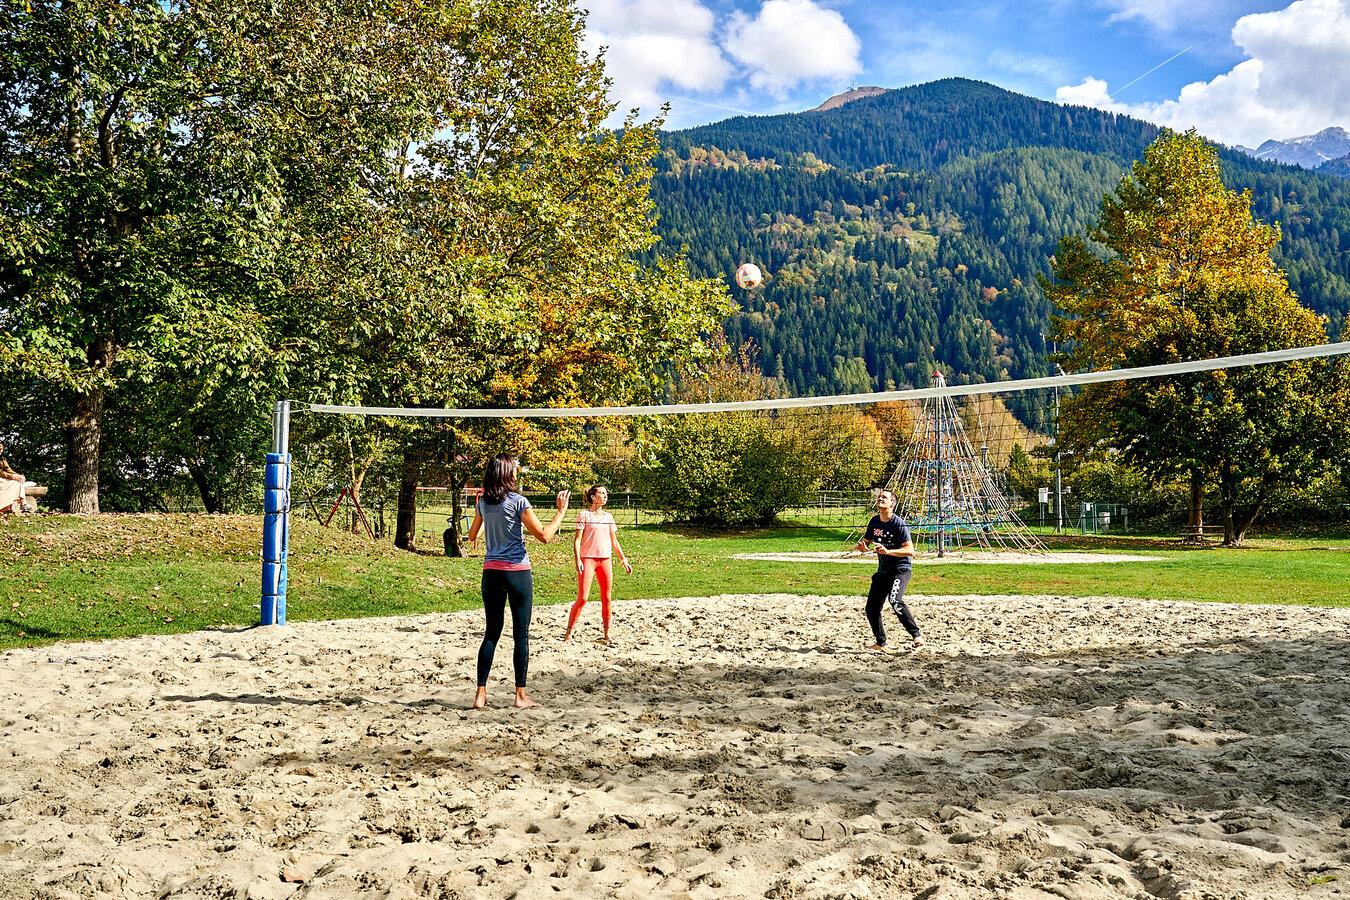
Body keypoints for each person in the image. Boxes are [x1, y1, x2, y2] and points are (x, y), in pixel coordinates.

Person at [466, 454, 570, 709]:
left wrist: (486, 531)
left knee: (491, 633)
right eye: (515, 469)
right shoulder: (518, 501)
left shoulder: (483, 502)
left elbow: (471, 536)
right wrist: (560, 512)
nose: (517, 473)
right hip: (516, 572)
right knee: (520, 634)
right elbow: (544, 536)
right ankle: (520, 696)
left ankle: (480, 694)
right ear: (507, 473)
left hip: (490, 571)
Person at [855, 489, 925, 651]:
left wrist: (888, 551)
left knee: (895, 601)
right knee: (871, 608)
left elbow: (910, 551)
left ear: (892, 504)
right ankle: (880, 642)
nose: (880, 499)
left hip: (900, 569)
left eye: (884, 497)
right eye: (879, 496)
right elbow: (865, 544)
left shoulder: (898, 523)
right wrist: (862, 548)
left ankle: (916, 636)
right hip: (883, 571)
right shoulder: (874, 522)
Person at [564, 486, 631, 643]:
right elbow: (577, 540)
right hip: (588, 559)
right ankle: (569, 632)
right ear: (593, 497)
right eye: (602, 493)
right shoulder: (583, 515)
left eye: (606, 493)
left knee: (607, 598)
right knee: (583, 598)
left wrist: (624, 559)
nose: (605, 496)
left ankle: (607, 634)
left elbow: (614, 541)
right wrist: (578, 559)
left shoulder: (608, 517)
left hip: (605, 560)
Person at [0, 443, 26, 514]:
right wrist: (12, 476)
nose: (0, 450)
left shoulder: (3, 459)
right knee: (14, 483)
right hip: (1, 478)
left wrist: (17, 475)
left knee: (18, 482)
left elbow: (8, 470)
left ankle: (19, 504)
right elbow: (1, 472)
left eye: (1, 449)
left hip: (3, 477)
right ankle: (22, 503)